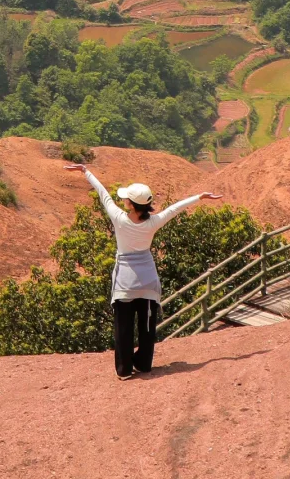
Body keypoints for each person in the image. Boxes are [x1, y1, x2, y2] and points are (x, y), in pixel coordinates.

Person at [62, 161, 221, 380]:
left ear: (130, 204)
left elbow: (103, 194)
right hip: (148, 282)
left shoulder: (119, 219)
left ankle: (125, 369)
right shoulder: (153, 222)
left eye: (126, 198)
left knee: (123, 328)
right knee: (146, 326)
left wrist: (85, 171)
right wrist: (199, 197)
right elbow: (174, 209)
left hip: (125, 283)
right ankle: (144, 364)